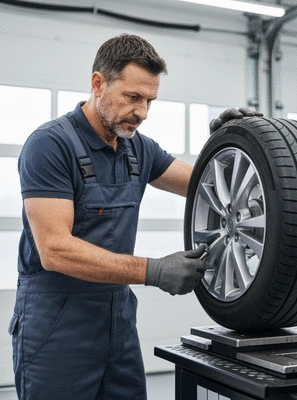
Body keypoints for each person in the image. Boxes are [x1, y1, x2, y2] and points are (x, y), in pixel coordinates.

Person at [9, 33, 261, 400]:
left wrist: (228, 143)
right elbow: (55, 249)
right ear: (98, 83)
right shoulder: (50, 145)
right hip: (55, 328)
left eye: (149, 101)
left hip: (117, 325)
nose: (142, 112)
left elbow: (207, 184)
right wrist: (153, 270)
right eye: (133, 97)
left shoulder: (136, 148)